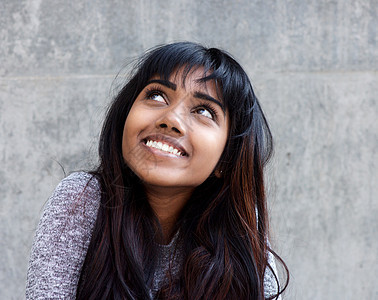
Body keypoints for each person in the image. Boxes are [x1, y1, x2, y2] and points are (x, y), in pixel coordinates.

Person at [26, 42, 288, 299]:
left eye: (203, 111)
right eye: (157, 95)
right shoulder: (83, 200)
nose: (171, 120)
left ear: (226, 159)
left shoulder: (240, 228)